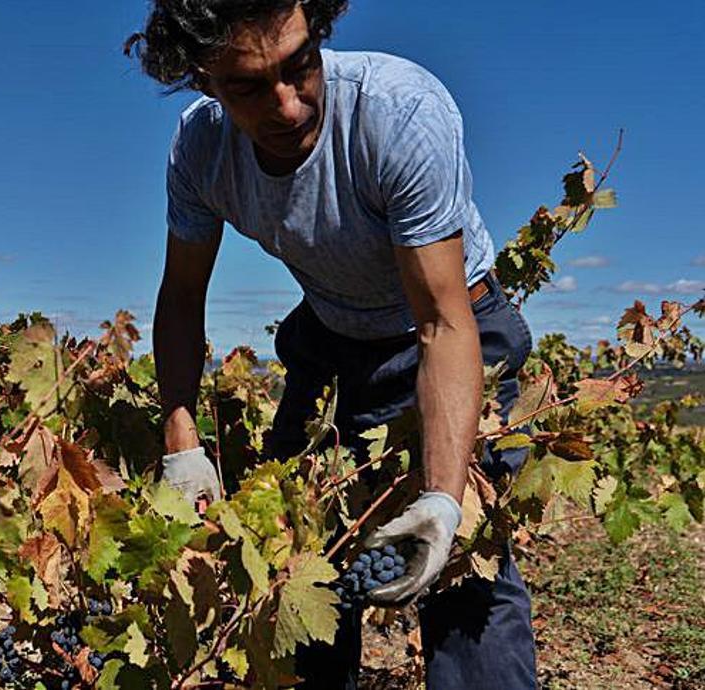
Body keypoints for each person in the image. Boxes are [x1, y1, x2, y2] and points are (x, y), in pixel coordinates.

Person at [128, 1, 538, 688]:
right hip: (331, 334)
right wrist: (182, 441)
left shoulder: (398, 114)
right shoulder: (201, 150)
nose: (287, 107)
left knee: (466, 572)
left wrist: (441, 499)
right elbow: (181, 299)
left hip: (451, 326)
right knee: (298, 554)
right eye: (250, 87)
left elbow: (441, 322)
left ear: (318, 32)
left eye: (300, 66)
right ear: (204, 81)